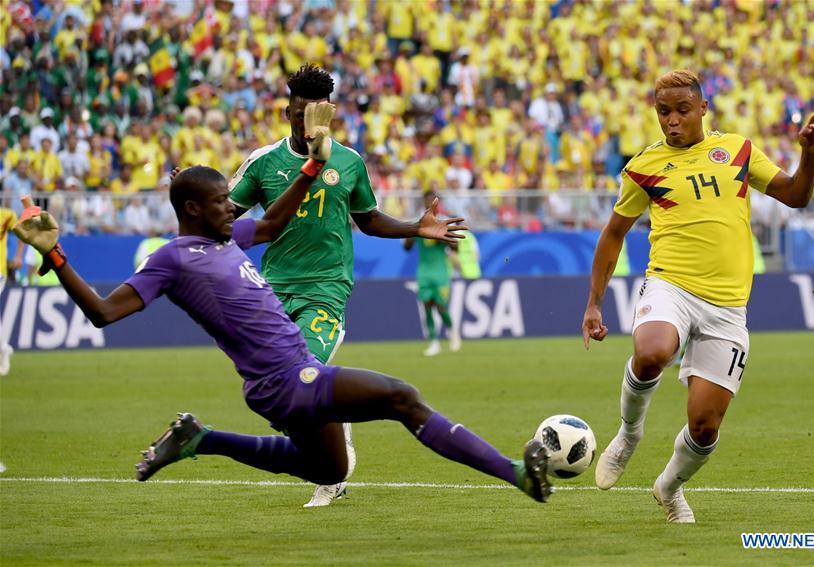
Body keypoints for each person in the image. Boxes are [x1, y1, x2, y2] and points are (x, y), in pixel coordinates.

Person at [12, 103, 553, 505]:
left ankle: (200, 438)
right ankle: (517, 474)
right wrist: (55, 255)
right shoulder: (172, 259)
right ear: (193, 208)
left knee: (325, 468)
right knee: (401, 397)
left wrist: (313, 168)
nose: (234, 207)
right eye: (223, 202)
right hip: (285, 379)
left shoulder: (229, 238)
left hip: (278, 383)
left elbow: (273, 222)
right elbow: (103, 312)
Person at [581, 70, 814, 523]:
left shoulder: (736, 150)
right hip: (670, 284)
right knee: (653, 350)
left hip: (727, 308)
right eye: (663, 112)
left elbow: (795, 196)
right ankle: (629, 433)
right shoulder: (644, 167)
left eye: (681, 110)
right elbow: (613, 234)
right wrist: (594, 303)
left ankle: (669, 489)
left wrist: (808, 156)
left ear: (702, 109)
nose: (672, 121)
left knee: (704, 427)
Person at [228, 64, 466, 506]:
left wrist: (416, 227)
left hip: (326, 286)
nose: (306, 125)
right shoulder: (263, 162)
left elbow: (369, 220)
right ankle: (337, 417)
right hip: (274, 288)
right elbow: (225, 216)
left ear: (329, 115)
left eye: (314, 116)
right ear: (287, 114)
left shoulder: (349, 162)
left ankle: (332, 473)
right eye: (299, 115)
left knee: (297, 379)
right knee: (275, 393)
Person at [404, 191, 462, 356]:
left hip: (441, 271)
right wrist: (411, 232)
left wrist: (442, 236)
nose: (430, 205)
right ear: (423, 203)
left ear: (437, 204)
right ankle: (434, 342)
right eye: (427, 202)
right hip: (424, 271)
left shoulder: (443, 222)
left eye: (433, 202)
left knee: (440, 305)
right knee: (427, 305)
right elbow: (407, 248)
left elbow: (455, 247)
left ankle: (452, 332)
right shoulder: (418, 221)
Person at [0, 205, 22, 376]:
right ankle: (3, 348)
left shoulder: (6, 215)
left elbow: (23, 231)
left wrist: (18, 256)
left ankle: (3, 348)